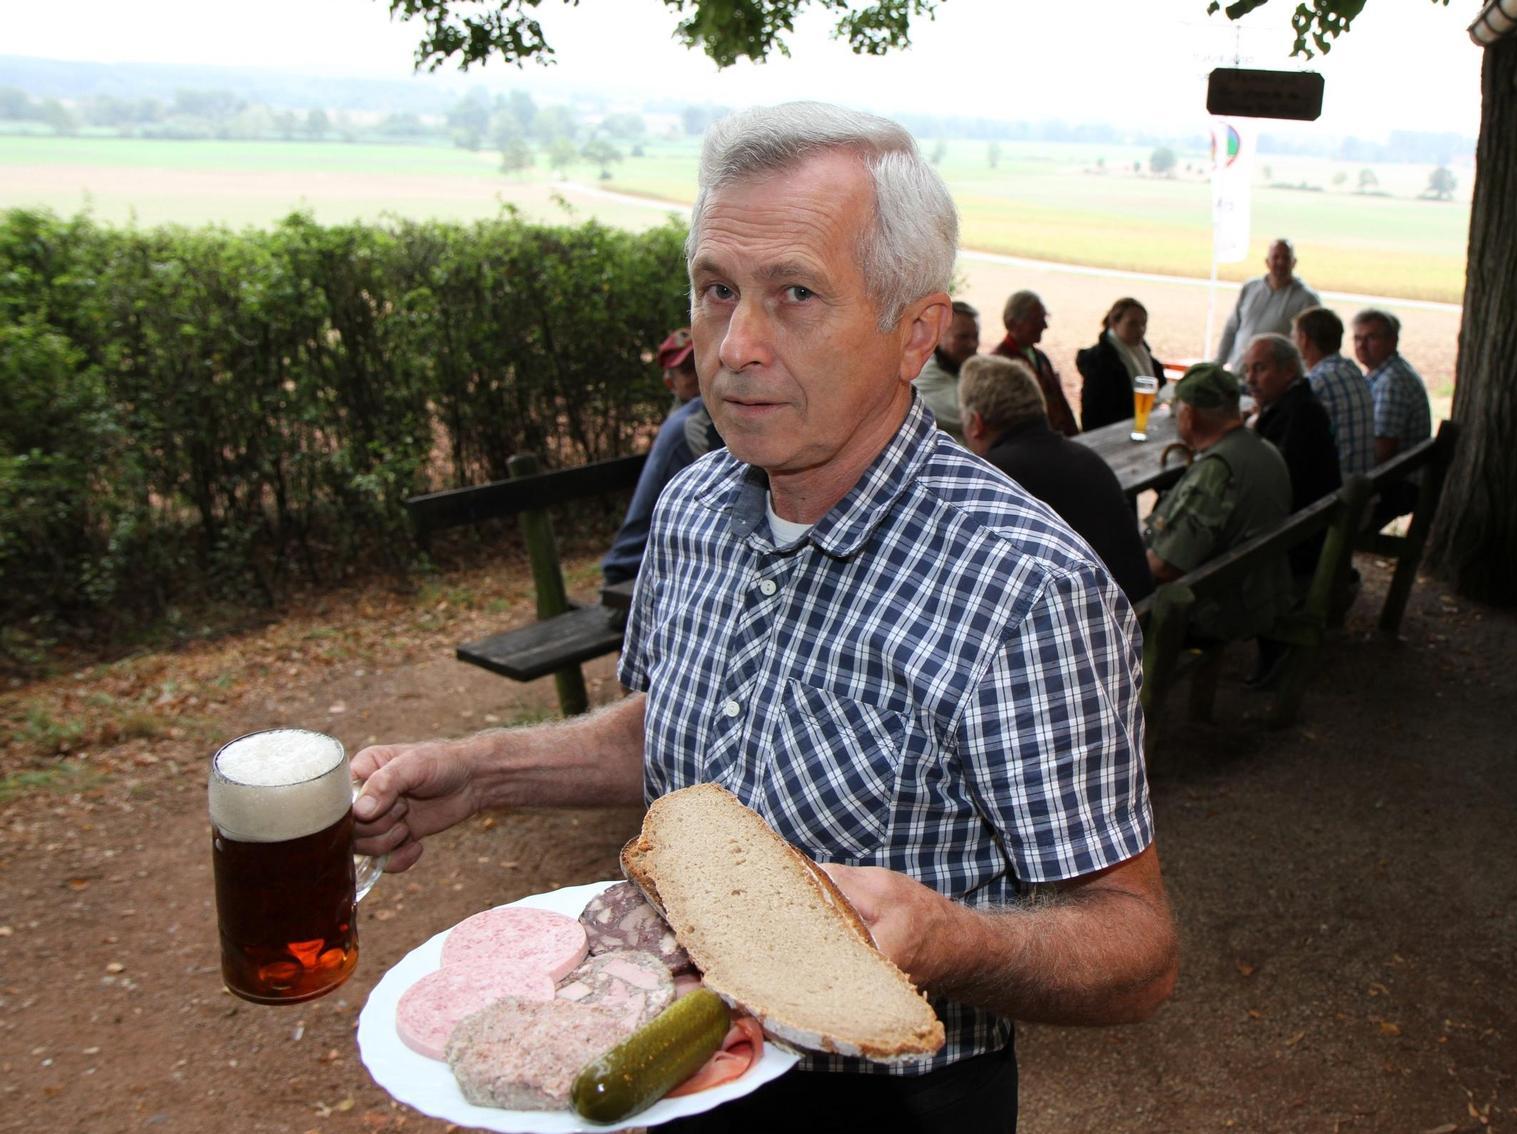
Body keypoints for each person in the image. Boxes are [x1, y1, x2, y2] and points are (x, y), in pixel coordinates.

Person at [352, 102, 1177, 1133]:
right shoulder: (698, 504)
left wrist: (945, 939)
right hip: (669, 1062)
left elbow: (1134, 950)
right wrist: (480, 773)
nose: (734, 347)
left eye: (794, 295)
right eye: (715, 290)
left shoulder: (1025, 585)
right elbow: (680, 730)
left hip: (889, 1107)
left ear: (914, 332)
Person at [959, 354, 1155, 603]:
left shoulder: (990, 479)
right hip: (1141, 619)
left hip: (1090, 635)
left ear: (976, 424)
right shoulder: (1087, 458)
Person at [1142, 363, 1293, 646]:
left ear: (1189, 414)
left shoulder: (1217, 471)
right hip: (1251, 590)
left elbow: (1166, 567)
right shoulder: (1264, 449)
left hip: (1214, 609)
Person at [599, 328, 723, 586]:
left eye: (701, 360)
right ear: (671, 383)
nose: (699, 374)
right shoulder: (689, 426)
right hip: (634, 578)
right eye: (688, 370)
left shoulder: (705, 415)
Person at [1244, 333, 1340, 579]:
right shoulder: (1295, 404)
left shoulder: (1300, 416)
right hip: (1304, 527)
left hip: (1296, 543)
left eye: (1260, 369)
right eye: (1247, 370)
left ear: (1288, 371)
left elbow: (1271, 487)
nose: (1250, 380)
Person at [1353, 307, 1432, 530]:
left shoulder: (1392, 383)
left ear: (1392, 341)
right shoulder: (1382, 374)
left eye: (1371, 338)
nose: (1361, 345)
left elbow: (1383, 450)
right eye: (1358, 338)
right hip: (1396, 478)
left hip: (1399, 484)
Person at [1212, 238, 1321, 372]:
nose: (1280, 262)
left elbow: (1312, 345)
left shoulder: (1307, 299)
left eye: (1286, 258)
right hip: (1239, 372)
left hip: (1273, 383)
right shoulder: (1250, 288)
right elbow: (1232, 328)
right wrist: (1218, 363)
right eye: (1275, 257)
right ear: (1267, 262)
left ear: (1294, 262)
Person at [1292, 307, 1375, 479]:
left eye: (1294, 336)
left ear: (1304, 339)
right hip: (1363, 485)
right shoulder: (1352, 370)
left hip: (1338, 492)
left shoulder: (1316, 382)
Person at [992, 290, 1079, 437]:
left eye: (1044, 318)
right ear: (1012, 323)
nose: (1045, 325)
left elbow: (1061, 404)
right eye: (1037, 320)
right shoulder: (999, 362)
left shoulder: (1041, 357)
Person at [1075, 297, 1165, 432]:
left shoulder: (1144, 355)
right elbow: (1093, 411)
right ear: (1114, 323)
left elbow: (1161, 385)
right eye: (1132, 324)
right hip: (1110, 431)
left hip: (1142, 426)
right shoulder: (1099, 361)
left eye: (1143, 324)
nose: (1140, 329)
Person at [911, 300, 981, 444]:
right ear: (938, 335)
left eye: (975, 337)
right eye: (963, 337)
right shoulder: (923, 371)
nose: (972, 344)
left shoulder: (963, 364)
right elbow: (971, 417)